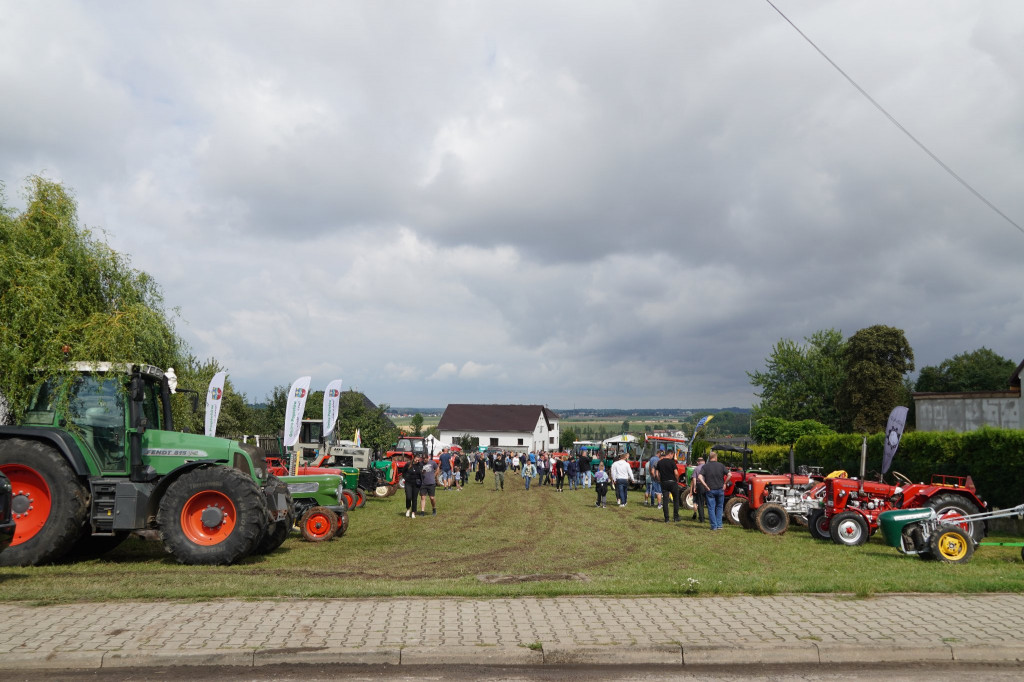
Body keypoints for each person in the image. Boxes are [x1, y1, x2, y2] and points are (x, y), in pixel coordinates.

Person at [697, 450, 729, 530]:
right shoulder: (721, 465)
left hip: (710, 489)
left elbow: (699, 477)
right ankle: (719, 525)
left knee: (711, 508)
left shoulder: (705, 466)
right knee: (719, 507)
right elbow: (730, 474)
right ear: (716, 458)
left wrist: (705, 486)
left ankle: (714, 526)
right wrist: (725, 483)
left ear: (709, 458)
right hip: (720, 489)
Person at [654, 449, 682, 522]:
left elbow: (657, 474)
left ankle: (666, 518)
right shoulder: (672, 463)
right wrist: (677, 479)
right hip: (672, 482)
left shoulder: (659, 463)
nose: (673, 457)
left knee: (665, 500)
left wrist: (660, 480)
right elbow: (676, 473)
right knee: (676, 499)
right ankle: (676, 517)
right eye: (673, 455)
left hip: (664, 482)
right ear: (670, 454)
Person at [691, 456, 707, 523]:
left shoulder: (696, 468)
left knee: (700, 502)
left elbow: (694, 478)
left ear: (699, 462)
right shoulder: (707, 467)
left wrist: (694, 487)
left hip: (700, 485)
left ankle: (702, 518)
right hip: (708, 484)